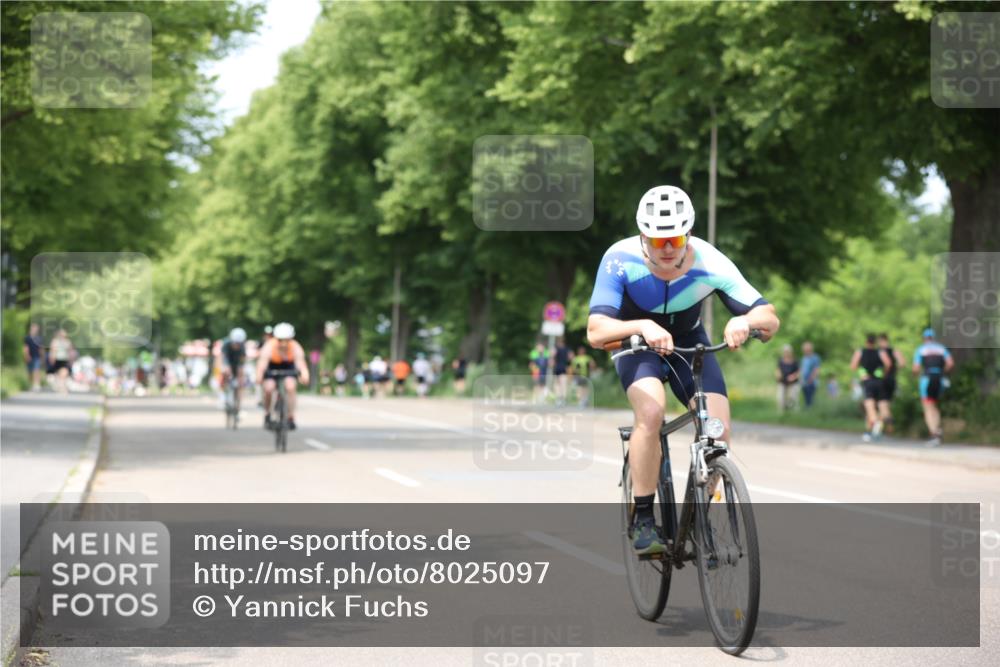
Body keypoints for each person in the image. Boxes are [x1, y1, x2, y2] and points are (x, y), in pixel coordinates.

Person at [587, 184, 779, 556]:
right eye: (658, 241)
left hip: (687, 342)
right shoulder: (618, 258)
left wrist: (746, 322)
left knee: (717, 430)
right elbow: (596, 331)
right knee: (651, 412)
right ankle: (644, 519)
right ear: (643, 236)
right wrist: (640, 326)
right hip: (636, 343)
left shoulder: (709, 261)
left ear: (688, 234)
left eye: (675, 238)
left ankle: (701, 516)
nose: (668, 248)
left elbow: (768, 316)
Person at [255, 322, 309, 430]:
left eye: (286, 340)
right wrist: (259, 376)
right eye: (280, 340)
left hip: (288, 367)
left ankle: (290, 416)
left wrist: (305, 375)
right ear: (276, 338)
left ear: (291, 339)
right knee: (269, 388)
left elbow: (301, 364)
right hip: (272, 367)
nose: (283, 343)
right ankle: (267, 413)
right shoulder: (269, 346)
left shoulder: (295, 347)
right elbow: (262, 364)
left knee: (291, 386)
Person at [912, 328, 954, 446]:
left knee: (927, 406)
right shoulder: (941, 348)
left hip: (927, 378)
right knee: (934, 405)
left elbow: (915, 368)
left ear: (924, 338)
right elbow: (950, 363)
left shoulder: (921, 349)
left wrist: (915, 375)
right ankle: (937, 431)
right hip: (939, 378)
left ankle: (933, 433)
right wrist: (942, 372)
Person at [849, 333, 892, 442]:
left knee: (870, 406)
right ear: (875, 342)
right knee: (882, 405)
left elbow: (853, 365)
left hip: (868, 381)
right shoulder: (880, 352)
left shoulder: (860, 352)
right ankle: (874, 429)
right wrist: (884, 372)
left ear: (866, 342)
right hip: (879, 381)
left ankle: (875, 423)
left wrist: (861, 371)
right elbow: (888, 363)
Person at [877, 333, 906, 433]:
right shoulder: (895, 350)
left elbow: (886, 364)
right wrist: (895, 370)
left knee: (881, 404)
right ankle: (879, 429)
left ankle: (889, 421)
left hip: (882, 379)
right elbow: (902, 363)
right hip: (892, 379)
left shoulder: (879, 351)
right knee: (886, 404)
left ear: (880, 340)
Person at [216, 327, 247, 409]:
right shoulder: (226, 344)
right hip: (227, 361)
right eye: (236, 343)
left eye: (239, 344)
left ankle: (238, 405)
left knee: (241, 380)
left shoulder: (242, 347)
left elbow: (242, 361)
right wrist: (225, 368)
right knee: (224, 372)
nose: (237, 345)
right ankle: (223, 396)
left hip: (237, 363)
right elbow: (223, 358)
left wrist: (241, 373)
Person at [48, 329, 75, 393]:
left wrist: (71, 359)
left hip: (65, 359)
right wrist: (52, 358)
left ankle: (62, 386)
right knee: (58, 374)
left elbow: (70, 351)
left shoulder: (68, 342)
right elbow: (53, 350)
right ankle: (60, 385)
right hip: (57, 359)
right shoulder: (55, 341)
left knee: (64, 374)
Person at [775, 344, 800, 411]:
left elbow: (798, 372)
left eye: (788, 351)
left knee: (793, 397)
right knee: (780, 398)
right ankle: (781, 412)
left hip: (793, 382)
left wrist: (793, 377)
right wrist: (778, 375)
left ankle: (794, 411)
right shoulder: (780, 360)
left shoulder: (795, 360)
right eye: (785, 351)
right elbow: (778, 369)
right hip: (783, 381)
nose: (786, 353)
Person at [799, 341, 822, 408]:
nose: (805, 351)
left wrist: (811, 379)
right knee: (806, 398)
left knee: (810, 399)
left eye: (806, 350)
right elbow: (802, 369)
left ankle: (811, 412)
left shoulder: (815, 358)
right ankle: (807, 412)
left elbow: (816, 370)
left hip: (812, 382)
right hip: (804, 382)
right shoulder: (804, 358)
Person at [23, 323, 45, 391]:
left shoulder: (39, 338)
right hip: (29, 356)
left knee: (36, 370)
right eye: (34, 328)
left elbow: (41, 349)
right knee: (30, 371)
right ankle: (30, 384)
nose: (35, 330)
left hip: (37, 357)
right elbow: (25, 347)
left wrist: (42, 357)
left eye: (36, 329)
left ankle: (36, 384)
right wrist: (26, 355)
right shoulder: (27, 338)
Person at [553, 338, 570, 405]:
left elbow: (552, 356)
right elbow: (570, 357)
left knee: (557, 384)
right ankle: (563, 399)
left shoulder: (556, 349)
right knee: (563, 384)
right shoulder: (567, 349)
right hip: (564, 368)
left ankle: (559, 398)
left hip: (557, 368)